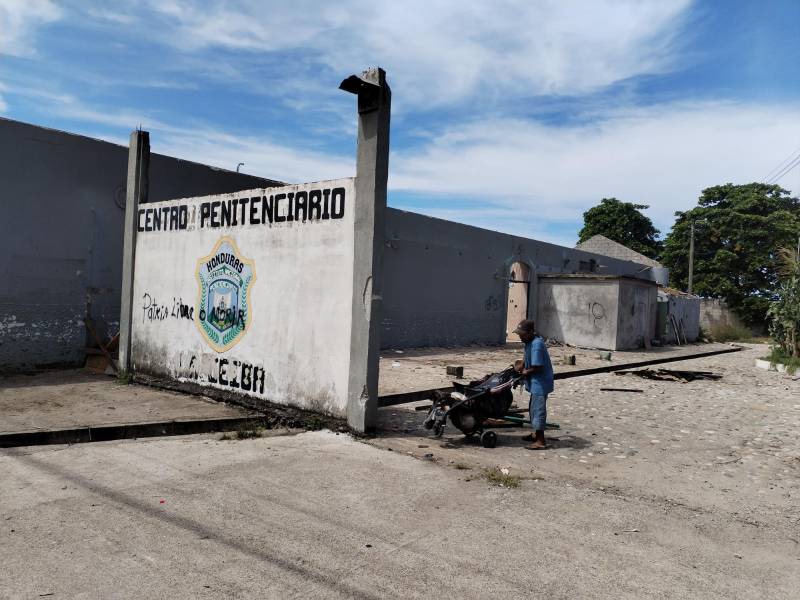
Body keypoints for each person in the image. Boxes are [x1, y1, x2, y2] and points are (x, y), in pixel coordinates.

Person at [513, 319, 553, 450]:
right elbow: (526, 357)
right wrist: (521, 366)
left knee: (538, 411)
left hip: (540, 383)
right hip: (536, 382)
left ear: (530, 332)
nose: (520, 337)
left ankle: (540, 441)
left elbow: (538, 367)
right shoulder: (529, 342)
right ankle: (536, 434)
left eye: (522, 334)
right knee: (533, 408)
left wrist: (525, 372)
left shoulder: (537, 344)